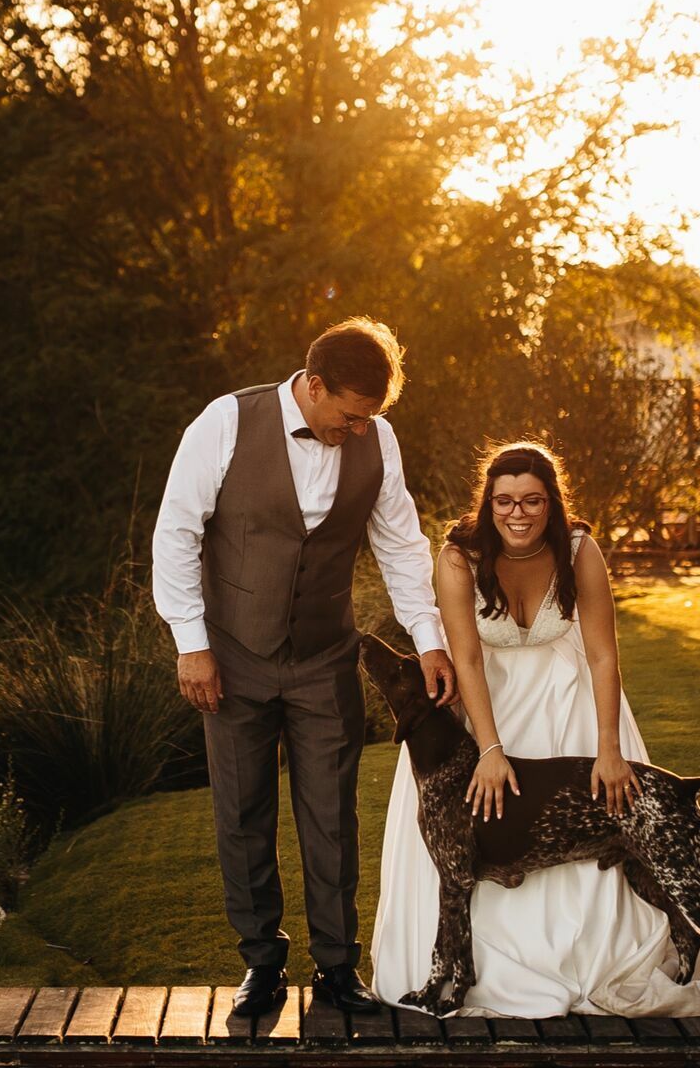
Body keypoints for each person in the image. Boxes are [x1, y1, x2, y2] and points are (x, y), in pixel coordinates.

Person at [370, 441, 700, 1017]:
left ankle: (602, 962)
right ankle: (480, 977)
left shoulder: (580, 548)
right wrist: (489, 748)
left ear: (551, 503)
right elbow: (467, 660)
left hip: (573, 704)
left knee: (613, 821)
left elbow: (604, 656)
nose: (517, 513)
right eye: (504, 501)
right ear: (488, 503)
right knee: (476, 837)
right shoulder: (459, 557)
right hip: (490, 707)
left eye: (532, 501)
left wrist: (608, 749)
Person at [152, 318, 459, 1018]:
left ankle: (336, 968)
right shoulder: (225, 422)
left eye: (369, 419)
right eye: (349, 416)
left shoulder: (376, 438)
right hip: (232, 656)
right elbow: (175, 531)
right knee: (242, 811)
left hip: (326, 656)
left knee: (331, 814)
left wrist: (428, 638)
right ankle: (261, 963)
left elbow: (401, 544)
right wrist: (191, 644)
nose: (358, 430)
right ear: (314, 385)